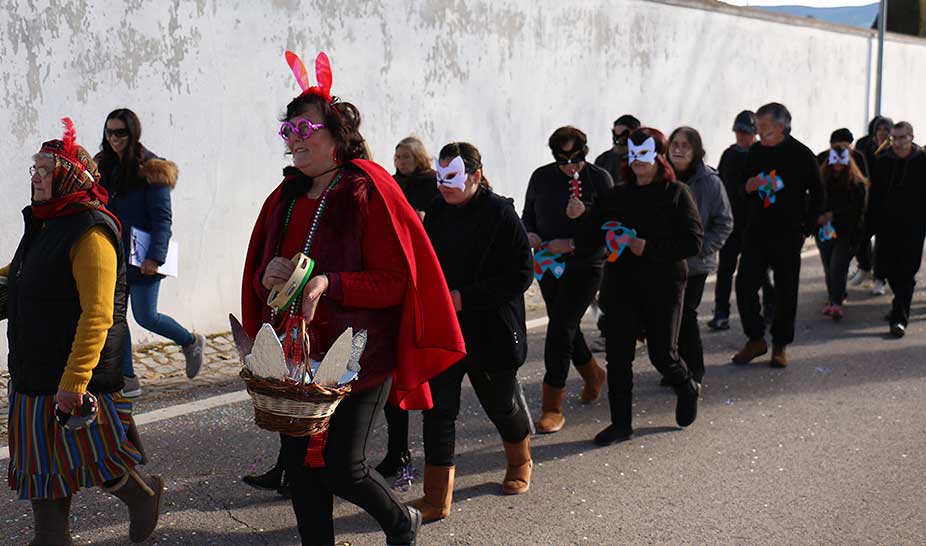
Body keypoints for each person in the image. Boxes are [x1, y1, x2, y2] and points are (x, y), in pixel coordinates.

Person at [240, 51, 465, 546]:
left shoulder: (369, 190)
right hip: (298, 358)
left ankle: (401, 520)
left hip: (358, 354)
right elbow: (267, 283)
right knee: (299, 469)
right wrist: (266, 276)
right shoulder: (286, 197)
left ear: (337, 135)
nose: (294, 139)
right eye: (288, 130)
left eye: (305, 128)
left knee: (344, 467)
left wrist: (330, 283)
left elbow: (393, 280)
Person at [3, 118, 162, 545]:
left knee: (97, 460)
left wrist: (73, 383)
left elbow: (98, 314)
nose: (35, 177)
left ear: (70, 176)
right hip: (33, 376)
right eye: (34, 168)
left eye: (44, 169)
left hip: (71, 379)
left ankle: (142, 497)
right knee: (46, 475)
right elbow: (19, 276)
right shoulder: (45, 222)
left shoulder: (90, 232)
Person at [410, 142, 534, 522]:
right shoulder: (438, 211)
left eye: (453, 177)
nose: (444, 185)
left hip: (491, 331)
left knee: (501, 404)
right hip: (447, 330)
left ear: (475, 177)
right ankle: (436, 497)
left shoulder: (500, 213)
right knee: (439, 411)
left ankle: (520, 462)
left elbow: (521, 274)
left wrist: (465, 297)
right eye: (440, 176)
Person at [573, 128, 703, 445]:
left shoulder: (676, 193)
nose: (638, 163)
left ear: (659, 158)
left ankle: (687, 386)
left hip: (663, 286)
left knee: (663, 355)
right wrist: (582, 216)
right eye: (632, 156)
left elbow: (693, 242)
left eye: (644, 155)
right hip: (621, 286)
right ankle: (621, 424)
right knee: (618, 358)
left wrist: (649, 247)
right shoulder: (616, 195)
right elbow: (593, 232)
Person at [95, 108, 205, 398]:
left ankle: (190, 341)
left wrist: (155, 257)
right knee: (115, 318)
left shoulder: (152, 169)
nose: (114, 138)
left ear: (133, 134)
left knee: (146, 316)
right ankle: (127, 377)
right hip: (112, 256)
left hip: (143, 257)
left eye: (120, 132)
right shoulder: (103, 167)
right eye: (109, 132)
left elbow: (162, 219)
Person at [522, 126, 612, 433]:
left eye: (575, 158)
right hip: (549, 264)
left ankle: (552, 406)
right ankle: (592, 373)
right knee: (567, 326)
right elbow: (528, 214)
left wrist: (578, 229)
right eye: (563, 160)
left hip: (586, 265)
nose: (570, 166)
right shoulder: (541, 177)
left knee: (560, 328)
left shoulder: (599, 179)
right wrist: (530, 233)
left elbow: (609, 231)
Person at [732, 103, 824, 368]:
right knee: (745, 284)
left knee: (786, 291)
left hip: (788, 233)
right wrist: (747, 187)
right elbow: (741, 187)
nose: (758, 133)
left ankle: (780, 345)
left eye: (763, 128)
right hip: (756, 231)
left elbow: (819, 194)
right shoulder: (755, 153)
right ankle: (755, 338)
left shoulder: (802, 155)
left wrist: (807, 228)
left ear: (781, 127)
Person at [375, 136, 440, 479]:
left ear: (418, 158)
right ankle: (397, 450)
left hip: (422, 281)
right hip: (396, 278)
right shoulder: (391, 183)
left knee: (426, 374)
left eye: (405, 156)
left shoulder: (432, 185)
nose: (399, 160)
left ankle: (432, 453)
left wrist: (420, 220)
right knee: (392, 376)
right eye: (396, 155)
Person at [667, 127, 733, 383]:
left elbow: (724, 222)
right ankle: (674, 365)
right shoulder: (661, 177)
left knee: (686, 315)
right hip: (665, 259)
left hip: (695, 263)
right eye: (674, 144)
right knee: (668, 316)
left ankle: (695, 370)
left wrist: (700, 247)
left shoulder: (710, 182)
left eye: (685, 145)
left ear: (695, 151)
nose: (678, 150)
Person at [708, 111, 776, 331]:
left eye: (745, 132)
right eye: (738, 132)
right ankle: (721, 313)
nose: (741, 136)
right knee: (725, 269)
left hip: (756, 223)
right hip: (731, 223)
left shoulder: (764, 154)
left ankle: (770, 308)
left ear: (755, 133)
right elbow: (720, 185)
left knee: (761, 270)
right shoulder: (729, 155)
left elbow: (772, 187)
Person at [870, 121, 926, 337]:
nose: (898, 143)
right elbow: (874, 198)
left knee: (907, 272)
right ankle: (899, 304)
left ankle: (899, 319)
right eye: (894, 138)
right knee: (889, 271)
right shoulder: (883, 162)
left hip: (914, 227)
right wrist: (869, 226)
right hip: (887, 226)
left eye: (902, 138)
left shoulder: (922, 161)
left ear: (911, 137)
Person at [593, 114, 642, 343]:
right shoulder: (604, 161)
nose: (619, 140)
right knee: (609, 288)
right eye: (616, 133)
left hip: (637, 235)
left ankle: (641, 330)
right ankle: (608, 332)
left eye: (625, 134)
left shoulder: (643, 161)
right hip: (610, 235)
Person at [815, 144, 868, 321]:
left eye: (841, 162)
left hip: (847, 232)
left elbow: (857, 210)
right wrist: (817, 217)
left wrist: (833, 215)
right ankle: (834, 298)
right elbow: (812, 201)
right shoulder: (821, 181)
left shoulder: (856, 184)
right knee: (829, 266)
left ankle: (837, 302)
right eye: (834, 162)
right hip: (825, 231)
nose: (837, 166)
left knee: (838, 265)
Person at [852, 116, 894, 294]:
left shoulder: (893, 151)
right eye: (879, 129)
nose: (882, 133)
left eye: (886, 129)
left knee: (883, 244)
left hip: (886, 204)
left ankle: (880, 279)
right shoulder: (866, 148)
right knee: (860, 237)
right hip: (868, 202)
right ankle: (864, 266)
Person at [594, 114, 642, 185]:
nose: (618, 142)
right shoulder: (603, 160)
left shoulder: (643, 161)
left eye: (624, 137)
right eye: (615, 136)